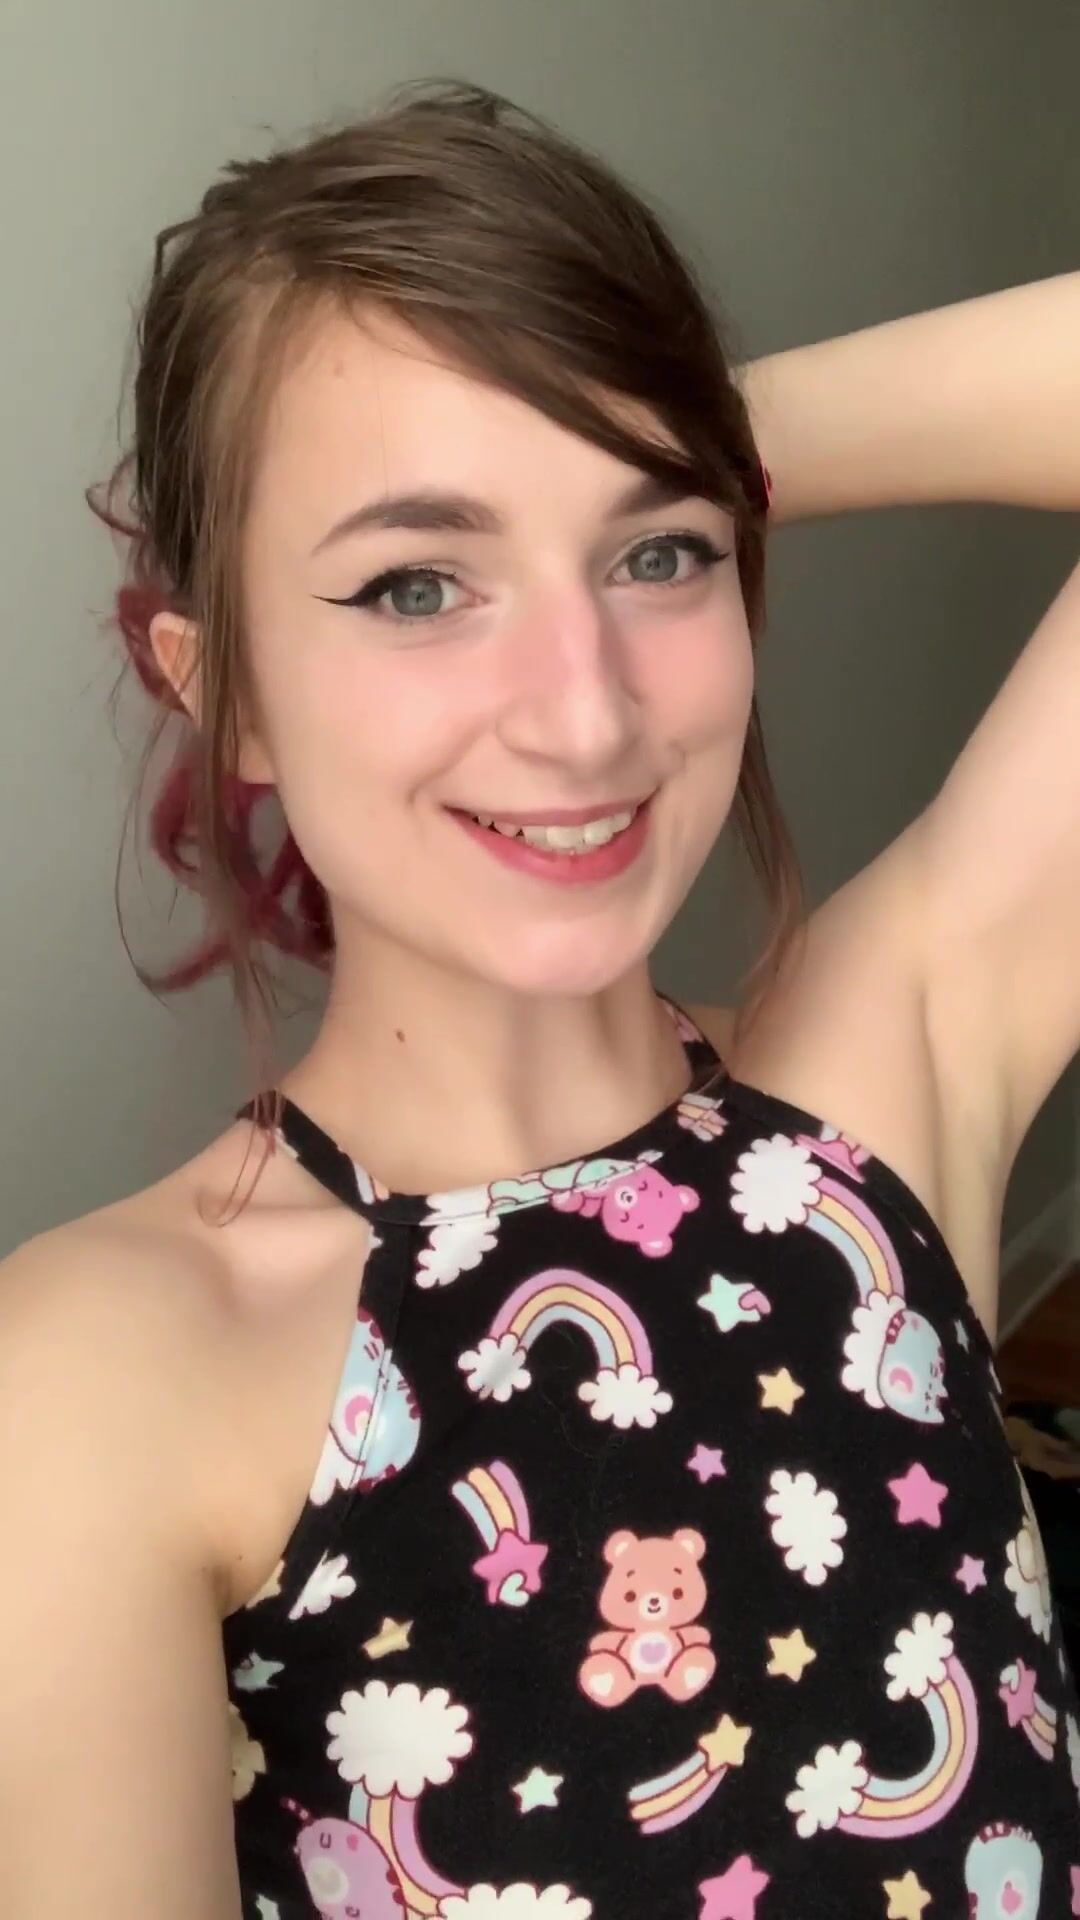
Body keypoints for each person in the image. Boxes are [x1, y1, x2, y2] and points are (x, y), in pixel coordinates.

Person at [1, 74, 1078, 1920]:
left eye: (660, 553)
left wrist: (669, 426)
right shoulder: (94, 1384)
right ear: (223, 687)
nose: (583, 713)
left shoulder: (869, 1113)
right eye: (418, 583)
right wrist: (609, 448)